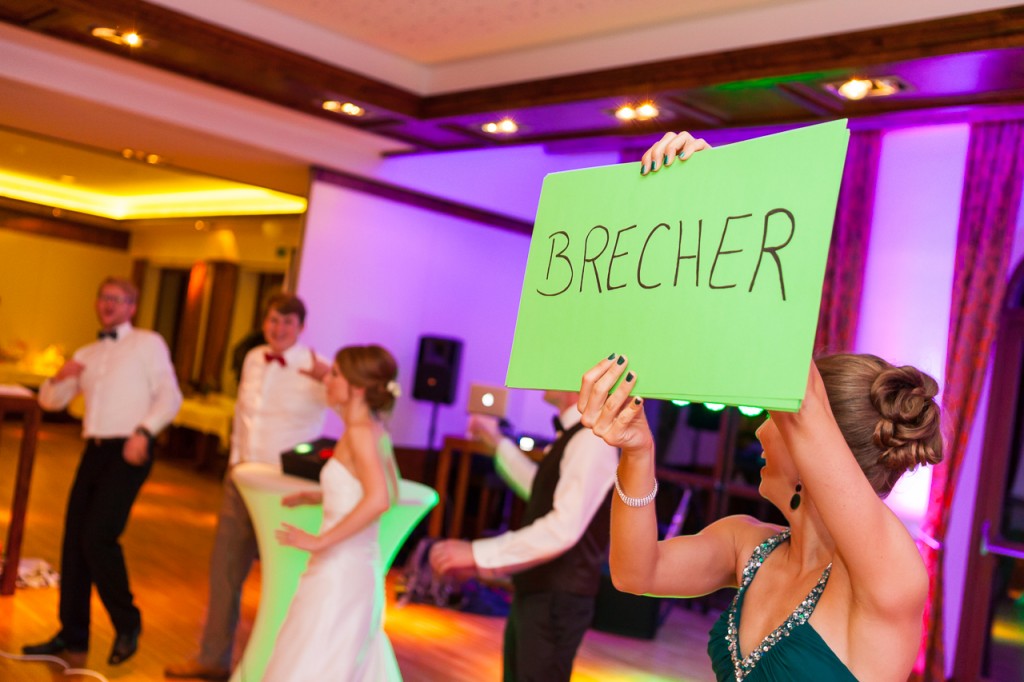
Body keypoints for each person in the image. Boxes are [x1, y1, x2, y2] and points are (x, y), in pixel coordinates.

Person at [166, 293, 329, 680]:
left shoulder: (318, 367)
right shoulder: (255, 358)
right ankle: (212, 659)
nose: (279, 329)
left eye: (288, 323)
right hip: (241, 478)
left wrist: (329, 379)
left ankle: (284, 667)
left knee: (284, 578)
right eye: (273, 321)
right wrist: (235, 461)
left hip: (285, 489)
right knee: (225, 570)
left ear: (302, 327)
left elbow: (370, 404)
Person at [25, 277, 183, 665]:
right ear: (98, 304)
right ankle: (72, 634)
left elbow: (170, 395)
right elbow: (50, 402)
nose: (109, 304)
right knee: (74, 540)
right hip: (93, 449)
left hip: (130, 448)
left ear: (132, 306)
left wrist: (145, 432)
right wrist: (60, 375)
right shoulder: (88, 352)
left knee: (98, 536)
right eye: (104, 298)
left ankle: (128, 622)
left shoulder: (148, 343)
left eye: (118, 299)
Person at [429, 388, 619, 682]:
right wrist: (496, 442)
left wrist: (478, 554)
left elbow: (562, 528)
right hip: (539, 589)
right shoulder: (575, 435)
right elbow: (540, 490)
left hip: (558, 596)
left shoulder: (592, 440)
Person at [262, 344, 403, 681]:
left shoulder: (359, 434)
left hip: (338, 573)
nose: (327, 380)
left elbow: (380, 500)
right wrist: (320, 496)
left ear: (356, 387)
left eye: (335, 374)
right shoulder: (372, 430)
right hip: (355, 569)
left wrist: (320, 541)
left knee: (314, 662)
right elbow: (390, 492)